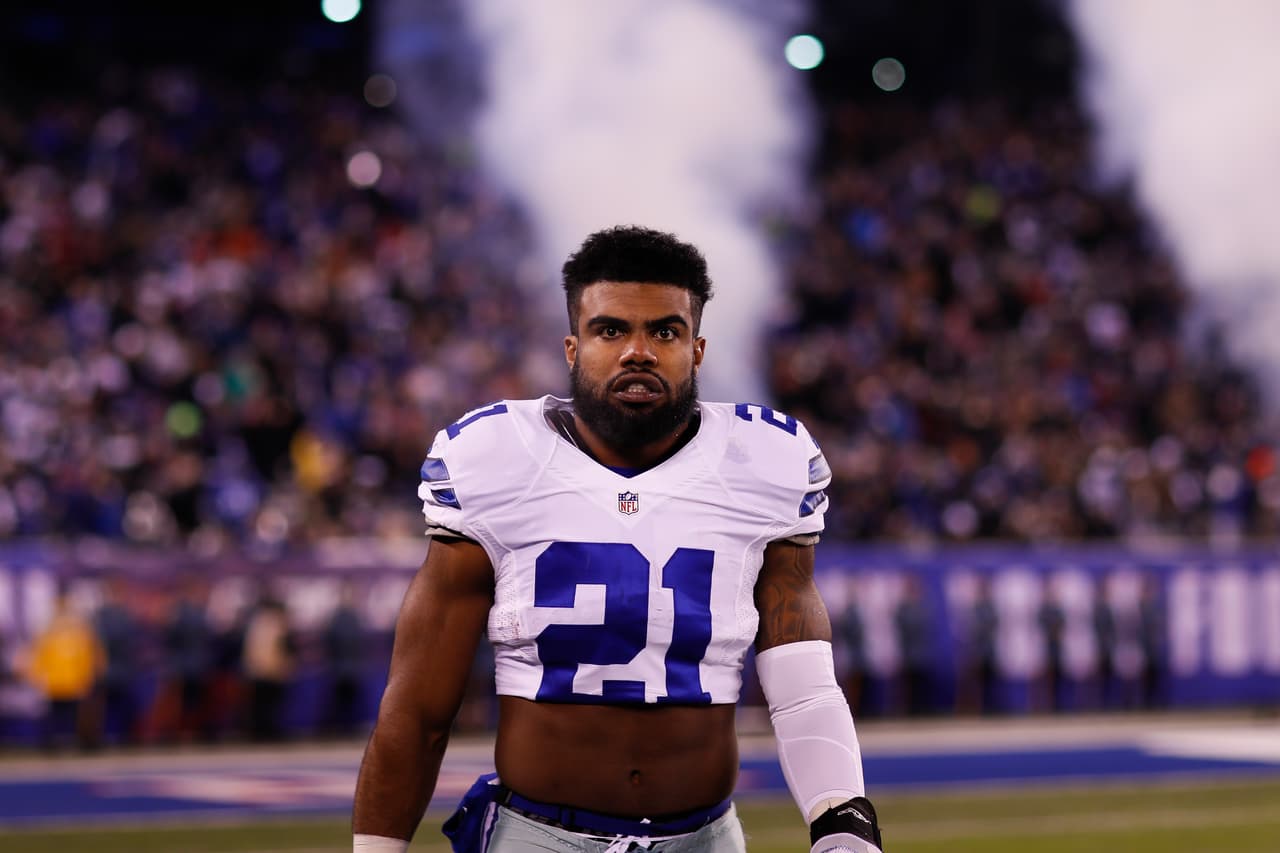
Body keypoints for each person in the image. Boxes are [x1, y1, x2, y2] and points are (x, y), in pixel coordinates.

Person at [353, 226, 884, 853]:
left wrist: (843, 821)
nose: (639, 352)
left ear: (698, 349)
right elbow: (417, 711)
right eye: (612, 330)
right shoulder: (494, 458)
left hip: (704, 838)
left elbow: (801, 684)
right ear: (573, 348)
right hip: (538, 837)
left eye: (665, 331)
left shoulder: (765, 462)